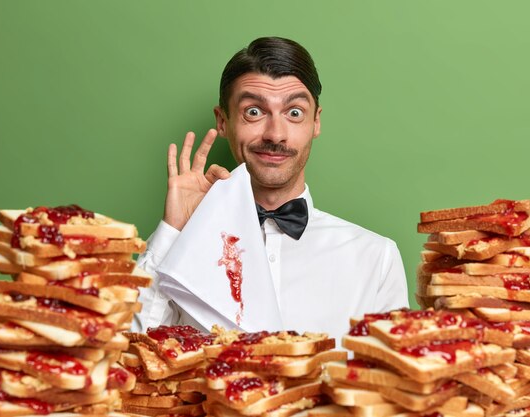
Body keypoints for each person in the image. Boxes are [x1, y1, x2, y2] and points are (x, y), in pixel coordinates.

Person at [133, 37, 408, 337]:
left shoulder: (376, 258)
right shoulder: (181, 247)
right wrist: (173, 232)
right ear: (222, 121)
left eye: (294, 113)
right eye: (254, 112)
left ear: (315, 122)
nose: (275, 134)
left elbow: (389, 380)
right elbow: (126, 357)